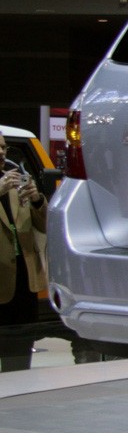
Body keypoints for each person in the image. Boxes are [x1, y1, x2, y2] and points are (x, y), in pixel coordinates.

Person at [1, 133, 49, 327]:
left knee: (23, 345)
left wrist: (37, 200)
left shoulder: (15, 181)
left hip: (24, 280)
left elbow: (44, 226)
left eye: (4, 148)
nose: (1, 152)